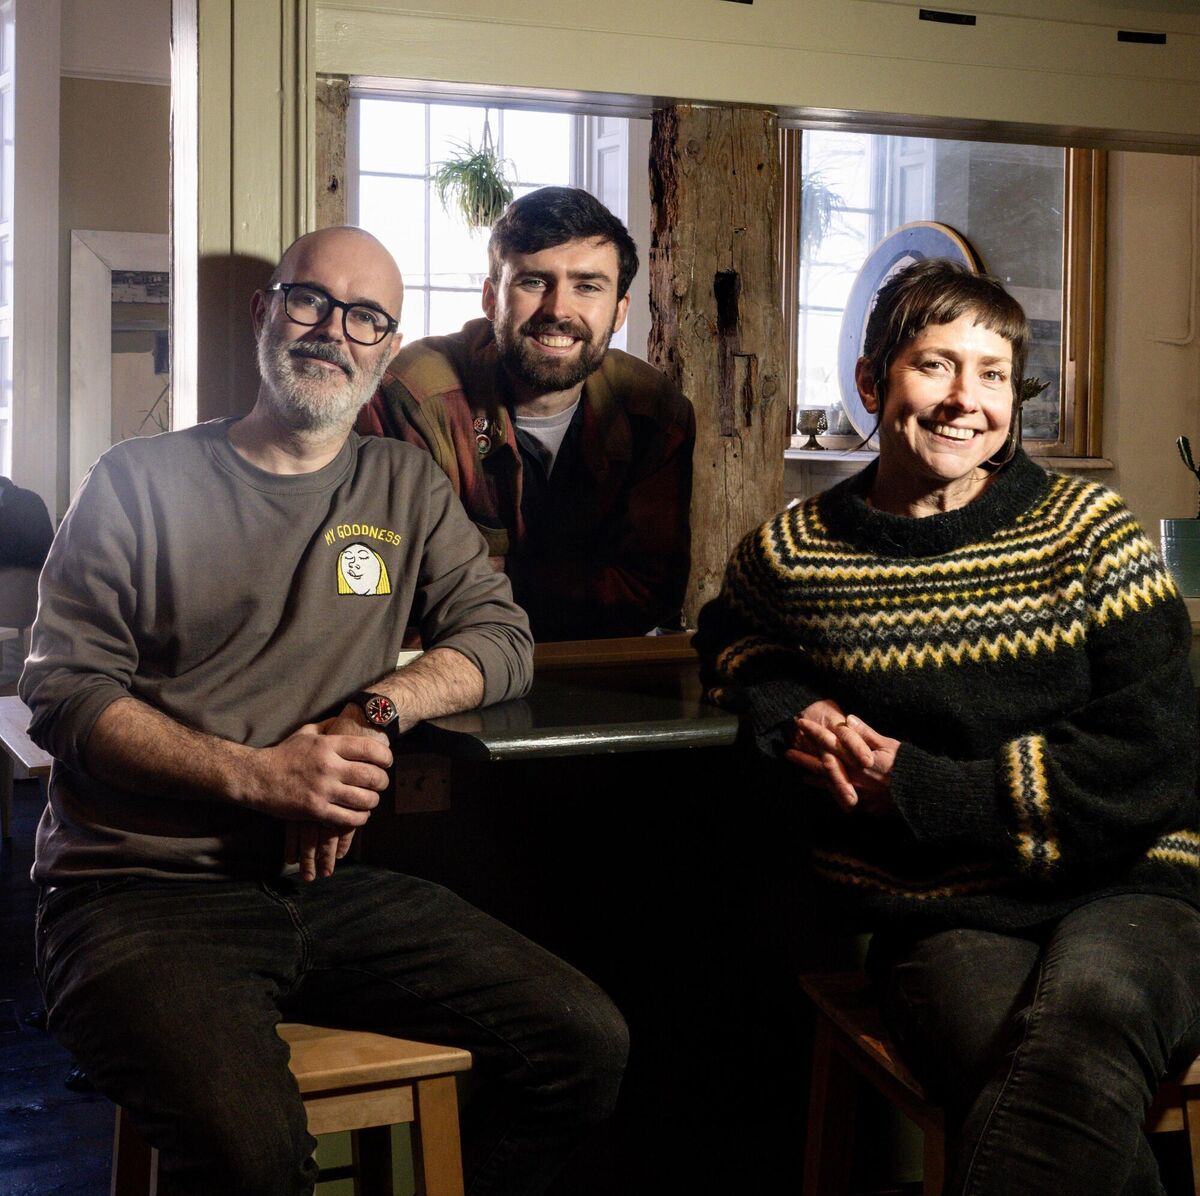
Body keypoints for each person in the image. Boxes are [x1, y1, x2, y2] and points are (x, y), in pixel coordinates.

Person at [22, 226, 628, 1196]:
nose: (331, 331)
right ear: (266, 314)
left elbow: (500, 638)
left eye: (365, 316)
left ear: (386, 347)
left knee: (583, 1042)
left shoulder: (403, 487)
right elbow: (61, 691)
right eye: (308, 301)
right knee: (254, 1161)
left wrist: (373, 709)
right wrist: (257, 775)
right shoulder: (138, 479)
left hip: (323, 889)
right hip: (135, 895)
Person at [695, 257, 1200, 1195]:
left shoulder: (1088, 530)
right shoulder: (797, 552)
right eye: (936, 365)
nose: (967, 400)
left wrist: (924, 788)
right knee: (1034, 1081)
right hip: (939, 904)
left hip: (1132, 882)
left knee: (1080, 1035)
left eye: (994, 373)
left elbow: (1157, 751)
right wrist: (789, 704)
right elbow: (728, 635)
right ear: (871, 382)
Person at [358, 186, 695, 641]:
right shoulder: (411, 396)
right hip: (445, 671)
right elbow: (386, 588)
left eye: (588, 286)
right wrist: (571, 584)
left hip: (596, 673)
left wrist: (496, 573)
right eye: (533, 281)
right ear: (490, 297)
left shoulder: (653, 410)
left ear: (619, 311)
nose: (558, 309)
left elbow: (649, 592)